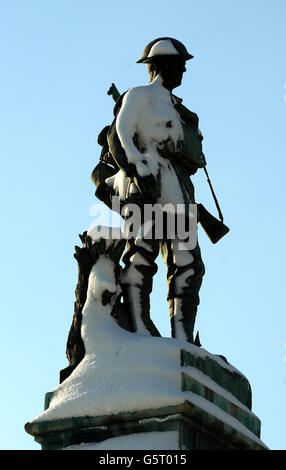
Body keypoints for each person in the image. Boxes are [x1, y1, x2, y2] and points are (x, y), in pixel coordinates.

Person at [92, 38, 205, 343]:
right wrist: (138, 170)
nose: (183, 70)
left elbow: (193, 156)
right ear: (161, 66)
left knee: (189, 265)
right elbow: (120, 135)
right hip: (146, 188)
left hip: (177, 193)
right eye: (179, 64)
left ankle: (182, 339)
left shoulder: (180, 110)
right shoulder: (139, 96)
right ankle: (139, 329)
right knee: (142, 255)